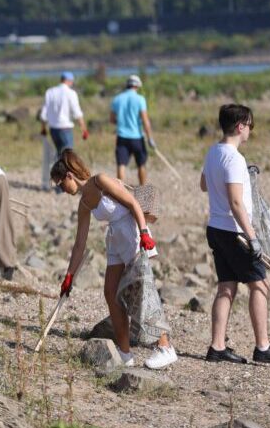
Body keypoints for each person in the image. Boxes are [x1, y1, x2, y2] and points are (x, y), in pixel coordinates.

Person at [52, 149, 177, 369]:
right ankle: (125, 352)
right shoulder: (84, 204)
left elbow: (133, 204)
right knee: (110, 292)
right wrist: (69, 276)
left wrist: (145, 233)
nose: (62, 190)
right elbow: (79, 244)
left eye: (61, 184)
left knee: (142, 290)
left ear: (70, 176)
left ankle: (165, 347)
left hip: (131, 234)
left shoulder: (100, 181)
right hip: (115, 242)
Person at [200, 104, 270, 364]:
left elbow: (204, 184)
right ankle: (263, 347)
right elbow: (236, 203)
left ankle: (217, 347)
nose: (250, 131)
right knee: (260, 284)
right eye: (250, 126)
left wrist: (240, 178)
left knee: (226, 287)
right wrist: (253, 238)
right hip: (235, 233)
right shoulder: (234, 158)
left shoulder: (213, 151)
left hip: (215, 228)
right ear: (240, 126)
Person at [110, 75, 156, 185]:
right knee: (141, 164)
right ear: (137, 86)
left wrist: (122, 123)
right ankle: (142, 188)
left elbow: (112, 119)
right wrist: (150, 138)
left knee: (121, 164)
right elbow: (145, 121)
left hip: (122, 136)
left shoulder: (117, 99)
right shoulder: (140, 99)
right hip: (137, 137)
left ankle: (120, 190)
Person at [40, 72, 88, 155]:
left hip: (53, 129)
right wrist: (84, 129)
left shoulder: (50, 92)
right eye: (72, 81)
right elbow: (77, 113)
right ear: (68, 81)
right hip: (65, 129)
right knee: (68, 156)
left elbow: (44, 114)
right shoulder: (71, 93)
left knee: (59, 155)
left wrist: (43, 128)